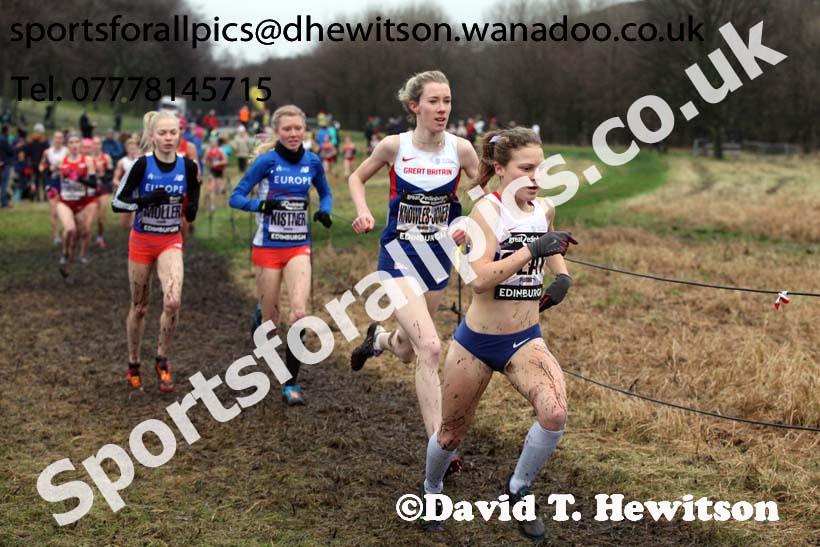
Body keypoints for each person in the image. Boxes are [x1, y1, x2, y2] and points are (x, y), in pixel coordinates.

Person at [419, 128, 577, 538]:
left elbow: (551, 244)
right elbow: (479, 280)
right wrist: (531, 251)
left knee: (555, 412)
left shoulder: (544, 208)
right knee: (451, 434)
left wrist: (561, 277)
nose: (536, 177)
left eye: (540, 168)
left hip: (525, 338)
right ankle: (432, 489)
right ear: (500, 169)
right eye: (526, 169)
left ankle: (518, 489)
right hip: (476, 342)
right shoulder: (486, 213)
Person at [348, 70, 479, 456]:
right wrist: (363, 211)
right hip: (398, 256)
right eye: (434, 101)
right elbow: (356, 178)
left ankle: (379, 340)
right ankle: (440, 448)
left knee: (408, 350)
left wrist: (470, 223)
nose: (442, 109)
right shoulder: (394, 146)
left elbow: (486, 195)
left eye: (447, 101)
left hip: (437, 258)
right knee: (431, 348)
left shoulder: (461, 150)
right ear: (415, 106)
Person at [229, 104, 332, 406]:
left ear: (305, 130)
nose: (293, 133)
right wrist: (262, 206)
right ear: (277, 131)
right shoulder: (266, 162)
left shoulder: (312, 161)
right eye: (287, 129)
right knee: (270, 326)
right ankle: (261, 314)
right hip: (267, 247)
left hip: (299, 246)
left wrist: (325, 210)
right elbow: (236, 197)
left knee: (299, 314)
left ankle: (291, 384)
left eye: (298, 128)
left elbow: (325, 192)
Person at [111, 111, 200, 392]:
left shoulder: (187, 166)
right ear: (152, 136)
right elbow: (117, 202)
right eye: (162, 133)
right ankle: (133, 362)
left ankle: (162, 359)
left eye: (173, 132)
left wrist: (192, 208)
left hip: (170, 241)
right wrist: (145, 200)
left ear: (179, 135)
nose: (168, 138)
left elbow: (194, 191)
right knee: (140, 307)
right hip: (141, 241)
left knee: (173, 301)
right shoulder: (141, 165)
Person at [54, 132, 98, 283]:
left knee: (77, 237)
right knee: (69, 229)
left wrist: (79, 178)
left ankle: (67, 270)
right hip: (64, 202)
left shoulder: (88, 161)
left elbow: (94, 184)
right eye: (71, 142)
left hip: (80, 203)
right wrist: (51, 189)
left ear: (80, 144)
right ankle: (64, 253)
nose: (74, 145)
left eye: (76, 142)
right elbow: (52, 177)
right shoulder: (62, 161)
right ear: (67, 145)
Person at [39, 130, 66, 242]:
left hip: (65, 182)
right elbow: (41, 166)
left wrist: (62, 167)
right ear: (53, 139)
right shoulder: (47, 152)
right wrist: (49, 168)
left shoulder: (67, 151)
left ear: (63, 139)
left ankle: (67, 233)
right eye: (56, 137)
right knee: (54, 211)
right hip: (53, 182)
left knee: (66, 210)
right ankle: (56, 236)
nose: (58, 140)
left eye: (60, 138)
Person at [112, 137, 140, 231]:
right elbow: (115, 179)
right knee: (124, 224)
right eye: (131, 148)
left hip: (138, 194)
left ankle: (135, 234)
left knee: (135, 221)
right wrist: (123, 187)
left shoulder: (142, 161)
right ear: (126, 149)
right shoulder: (122, 162)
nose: (133, 151)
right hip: (126, 194)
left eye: (135, 148)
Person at [91, 136, 114, 248]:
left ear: (101, 145)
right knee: (88, 218)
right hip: (90, 189)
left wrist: (102, 174)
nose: (96, 146)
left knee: (101, 217)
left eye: (98, 144)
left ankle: (100, 236)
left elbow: (110, 174)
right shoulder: (87, 158)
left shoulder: (106, 157)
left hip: (102, 188)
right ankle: (85, 235)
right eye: (94, 144)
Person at [205, 135, 227, 211]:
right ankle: (212, 206)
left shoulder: (220, 150)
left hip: (219, 170)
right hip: (212, 170)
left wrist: (218, 163)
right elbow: (204, 160)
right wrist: (207, 164)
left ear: (216, 142)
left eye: (213, 142)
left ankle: (222, 190)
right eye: (211, 142)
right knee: (211, 188)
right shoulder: (208, 150)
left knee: (220, 186)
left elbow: (225, 161)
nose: (212, 143)